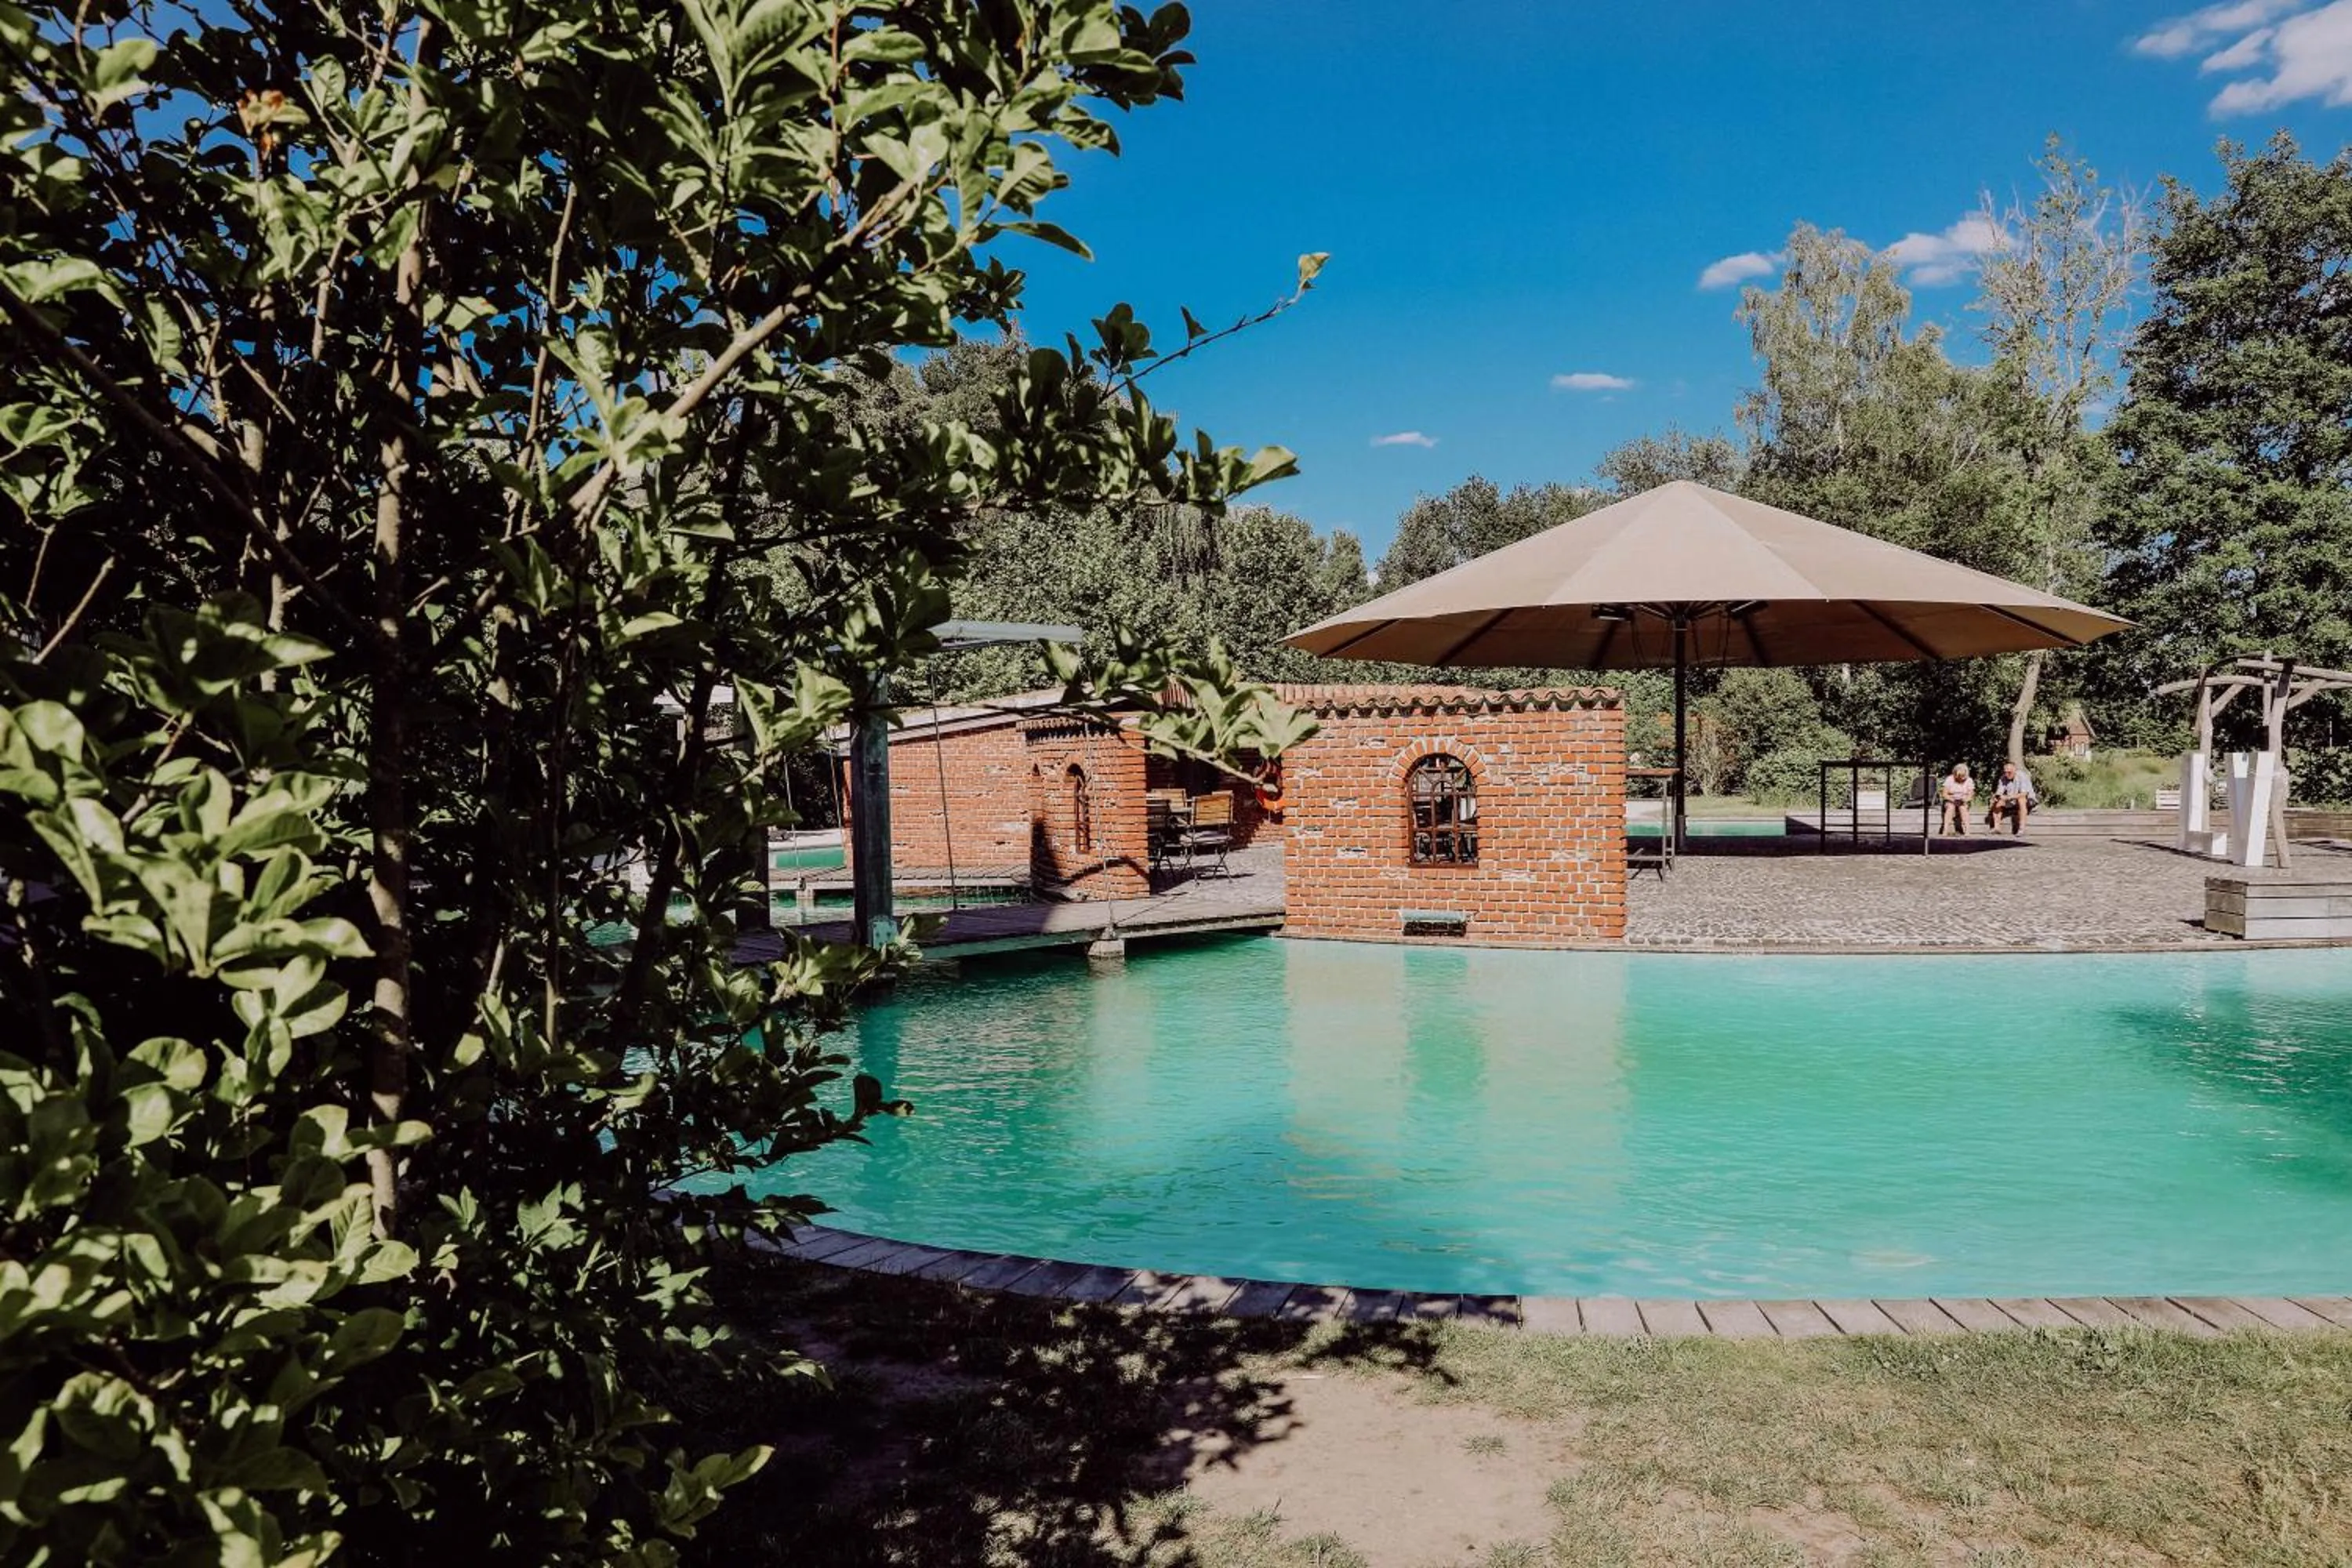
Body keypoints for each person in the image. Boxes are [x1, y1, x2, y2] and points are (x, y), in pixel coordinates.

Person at [1987, 760, 2037, 834]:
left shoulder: (2022, 776)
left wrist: (2008, 797)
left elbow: (2024, 794)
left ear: (2015, 770)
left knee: (2021, 800)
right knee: (1998, 802)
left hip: (2028, 799)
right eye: (2005, 772)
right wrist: (1996, 797)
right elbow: (1999, 792)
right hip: (2012, 800)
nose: (2007, 774)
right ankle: (1997, 828)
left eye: (2009, 772)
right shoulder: (2003, 778)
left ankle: (2021, 828)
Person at [1938, 763, 1974, 836]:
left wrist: (1965, 800)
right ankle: (1945, 830)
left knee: (1963, 808)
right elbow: (1944, 794)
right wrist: (1953, 800)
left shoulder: (1969, 780)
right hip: (1951, 799)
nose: (1962, 778)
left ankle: (1967, 830)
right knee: (1950, 807)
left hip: (1963, 799)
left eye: (1963, 776)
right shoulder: (1949, 779)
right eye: (1960, 776)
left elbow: (1971, 795)